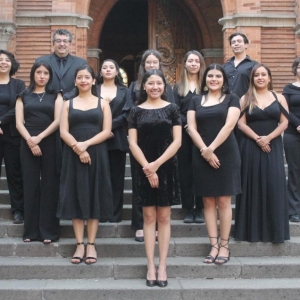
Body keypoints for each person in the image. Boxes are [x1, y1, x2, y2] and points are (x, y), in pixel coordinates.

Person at [128, 69, 181, 287]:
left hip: (166, 167)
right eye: (151, 83)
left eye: (159, 83)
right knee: (148, 218)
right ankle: (150, 265)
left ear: (164, 86)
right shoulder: (135, 111)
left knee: (165, 218)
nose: (155, 87)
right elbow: (132, 143)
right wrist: (147, 168)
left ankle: (163, 266)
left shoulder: (172, 109)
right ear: (144, 86)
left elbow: (177, 141)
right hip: (143, 167)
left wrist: (156, 165)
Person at [57, 65, 113, 265]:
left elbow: (107, 131)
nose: (83, 80)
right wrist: (78, 149)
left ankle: (91, 244)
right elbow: (63, 131)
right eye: (79, 77)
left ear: (93, 81)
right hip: (73, 154)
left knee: (93, 195)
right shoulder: (67, 103)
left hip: (96, 153)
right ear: (75, 81)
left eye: (87, 77)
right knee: (75, 195)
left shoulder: (103, 103)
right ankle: (79, 244)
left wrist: (86, 145)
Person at [187, 64, 241, 264]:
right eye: (210, 75)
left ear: (224, 79)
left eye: (218, 76)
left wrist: (212, 149)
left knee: (224, 201)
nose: (214, 79)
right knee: (208, 202)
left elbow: (229, 125)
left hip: (226, 153)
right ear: (205, 78)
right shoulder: (195, 100)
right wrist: (205, 151)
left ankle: (225, 245)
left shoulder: (232, 99)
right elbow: (191, 128)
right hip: (201, 153)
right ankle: (213, 245)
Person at [122, 49, 175, 242]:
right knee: (140, 188)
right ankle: (140, 225)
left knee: (163, 188)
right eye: (148, 63)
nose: (151, 66)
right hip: (141, 145)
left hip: (163, 145)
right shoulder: (135, 87)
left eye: (155, 63)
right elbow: (128, 112)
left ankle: (160, 226)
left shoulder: (165, 87)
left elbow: (173, 114)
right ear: (143, 65)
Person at [235, 63, 290, 243]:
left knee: (274, 184)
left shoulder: (279, 97)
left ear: (269, 78)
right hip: (250, 146)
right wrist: (259, 139)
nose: (260, 77)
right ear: (252, 78)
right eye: (256, 75)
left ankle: (274, 231)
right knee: (251, 184)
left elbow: (284, 122)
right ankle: (250, 231)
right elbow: (241, 124)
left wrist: (268, 138)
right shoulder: (245, 98)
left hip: (273, 146)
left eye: (263, 74)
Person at [15, 61, 63, 243]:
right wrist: (30, 140)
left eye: (45, 73)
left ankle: (48, 232)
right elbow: (19, 122)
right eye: (39, 72)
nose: (42, 76)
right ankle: (30, 232)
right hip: (27, 142)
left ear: (50, 76)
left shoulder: (56, 95)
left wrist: (39, 138)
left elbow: (58, 120)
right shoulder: (23, 96)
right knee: (31, 185)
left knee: (50, 186)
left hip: (49, 140)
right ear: (33, 74)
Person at [173, 50, 206, 223]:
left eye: (197, 61)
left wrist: (198, 126)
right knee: (185, 171)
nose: (193, 64)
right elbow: (175, 111)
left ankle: (199, 208)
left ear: (201, 64)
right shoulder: (177, 88)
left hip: (204, 134)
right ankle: (188, 208)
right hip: (184, 135)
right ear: (184, 64)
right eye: (190, 61)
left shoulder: (207, 86)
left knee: (201, 170)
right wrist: (188, 125)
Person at [97, 59, 128, 223]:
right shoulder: (93, 89)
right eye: (104, 67)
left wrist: (109, 128)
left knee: (117, 179)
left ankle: (115, 214)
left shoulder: (125, 91)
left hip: (117, 140)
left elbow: (127, 114)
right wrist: (103, 130)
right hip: (96, 139)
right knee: (99, 178)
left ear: (117, 72)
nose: (108, 70)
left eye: (111, 67)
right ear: (100, 72)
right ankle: (101, 213)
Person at [0, 50, 25, 224]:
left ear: (12, 64)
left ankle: (18, 210)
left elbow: (18, 108)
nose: (2, 62)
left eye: (6, 60)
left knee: (15, 173)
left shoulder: (18, 85)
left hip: (11, 135)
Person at [36, 28, 86, 100]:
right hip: (47, 103)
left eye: (65, 41)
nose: (62, 44)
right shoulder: (41, 61)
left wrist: (66, 97)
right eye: (58, 41)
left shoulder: (80, 63)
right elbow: (36, 83)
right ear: (53, 43)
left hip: (73, 103)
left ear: (70, 44)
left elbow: (83, 84)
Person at [282, 57, 300, 223]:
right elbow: (285, 110)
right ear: (295, 69)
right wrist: (298, 125)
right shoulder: (288, 88)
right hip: (292, 134)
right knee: (295, 171)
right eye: (299, 67)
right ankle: (293, 209)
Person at [223, 32, 258, 98]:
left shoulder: (254, 65)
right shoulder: (225, 66)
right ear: (231, 46)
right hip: (227, 104)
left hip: (246, 103)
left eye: (239, 41)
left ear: (246, 45)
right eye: (233, 42)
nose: (236, 44)